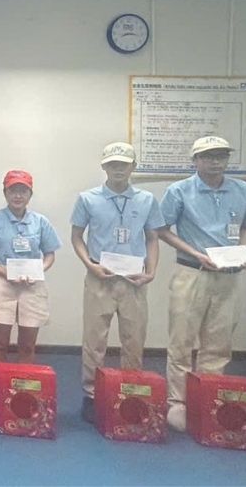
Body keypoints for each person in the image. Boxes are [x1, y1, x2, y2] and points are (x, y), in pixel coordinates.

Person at [158, 135, 246, 432]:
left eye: (221, 156)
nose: (216, 162)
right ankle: (178, 402)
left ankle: (208, 396)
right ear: (195, 160)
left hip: (228, 275)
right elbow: (162, 230)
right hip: (192, 272)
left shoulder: (243, 190)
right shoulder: (179, 191)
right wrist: (196, 254)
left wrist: (242, 250)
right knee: (181, 340)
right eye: (208, 156)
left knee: (219, 342)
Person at [70, 142, 164, 423]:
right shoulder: (88, 198)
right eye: (112, 164)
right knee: (94, 339)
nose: (118, 169)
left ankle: (130, 390)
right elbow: (77, 237)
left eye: (124, 164)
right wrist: (89, 265)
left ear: (133, 166)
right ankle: (91, 394)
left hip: (134, 279)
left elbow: (153, 238)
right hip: (100, 277)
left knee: (134, 338)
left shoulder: (147, 200)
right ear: (104, 167)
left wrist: (151, 271)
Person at [0, 170, 60, 364]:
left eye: (23, 191)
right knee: (0, 342)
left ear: (30, 194)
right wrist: (2, 271)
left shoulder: (40, 222)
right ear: (5, 193)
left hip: (32, 284)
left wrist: (38, 271)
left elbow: (50, 255)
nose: (18, 195)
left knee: (28, 345)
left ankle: (23, 381)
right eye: (13, 190)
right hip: (2, 283)